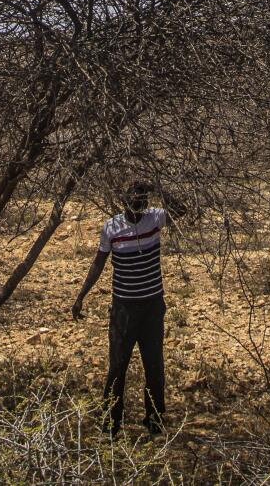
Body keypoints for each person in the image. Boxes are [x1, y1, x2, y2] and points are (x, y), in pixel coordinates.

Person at [72, 179, 172, 435]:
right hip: (123, 309)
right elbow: (98, 262)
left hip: (151, 306)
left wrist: (158, 185)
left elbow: (181, 210)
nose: (139, 204)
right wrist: (82, 294)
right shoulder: (112, 227)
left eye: (144, 199)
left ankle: (155, 421)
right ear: (124, 201)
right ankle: (111, 422)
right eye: (135, 199)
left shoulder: (155, 218)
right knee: (117, 366)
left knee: (154, 366)